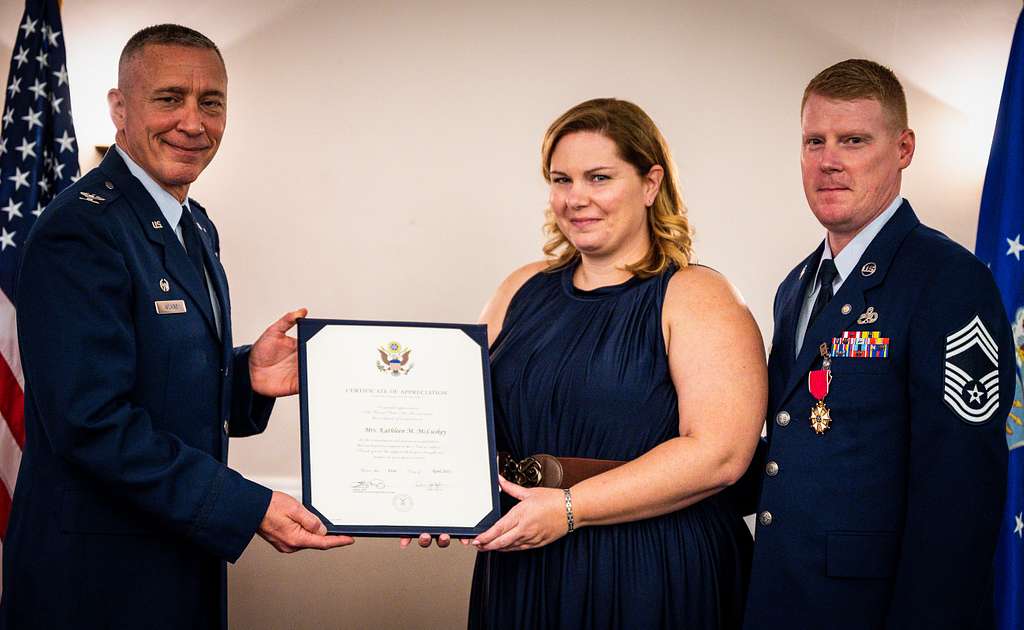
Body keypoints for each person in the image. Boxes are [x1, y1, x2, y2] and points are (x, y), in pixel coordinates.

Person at [0, 24, 352, 630]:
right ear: (119, 108)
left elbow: (159, 380)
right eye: (169, 98)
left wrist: (246, 375)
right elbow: (91, 422)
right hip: (96, 580)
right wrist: (246, 506)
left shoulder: (192, 224)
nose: (193, 122)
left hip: (174, 558)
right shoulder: (82, 230)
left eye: (211, 102)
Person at [462, 98, 767, 629]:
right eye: (561, 180)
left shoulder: (697, 295)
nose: (576, 198)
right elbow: (452, 412)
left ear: (651, 184)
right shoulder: (520, 287)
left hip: (649, 565)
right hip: (522, 556)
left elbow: (720, 455)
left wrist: (569, 509)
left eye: (598, 177)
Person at [743, 59, 1014, 629]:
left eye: (854, 140)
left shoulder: (948, 281)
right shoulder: (796, 287)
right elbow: (789, 448)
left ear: (904, 149)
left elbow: (960, 496)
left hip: (874, 610)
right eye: (814, 140)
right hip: (781, 595)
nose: (828, 161)